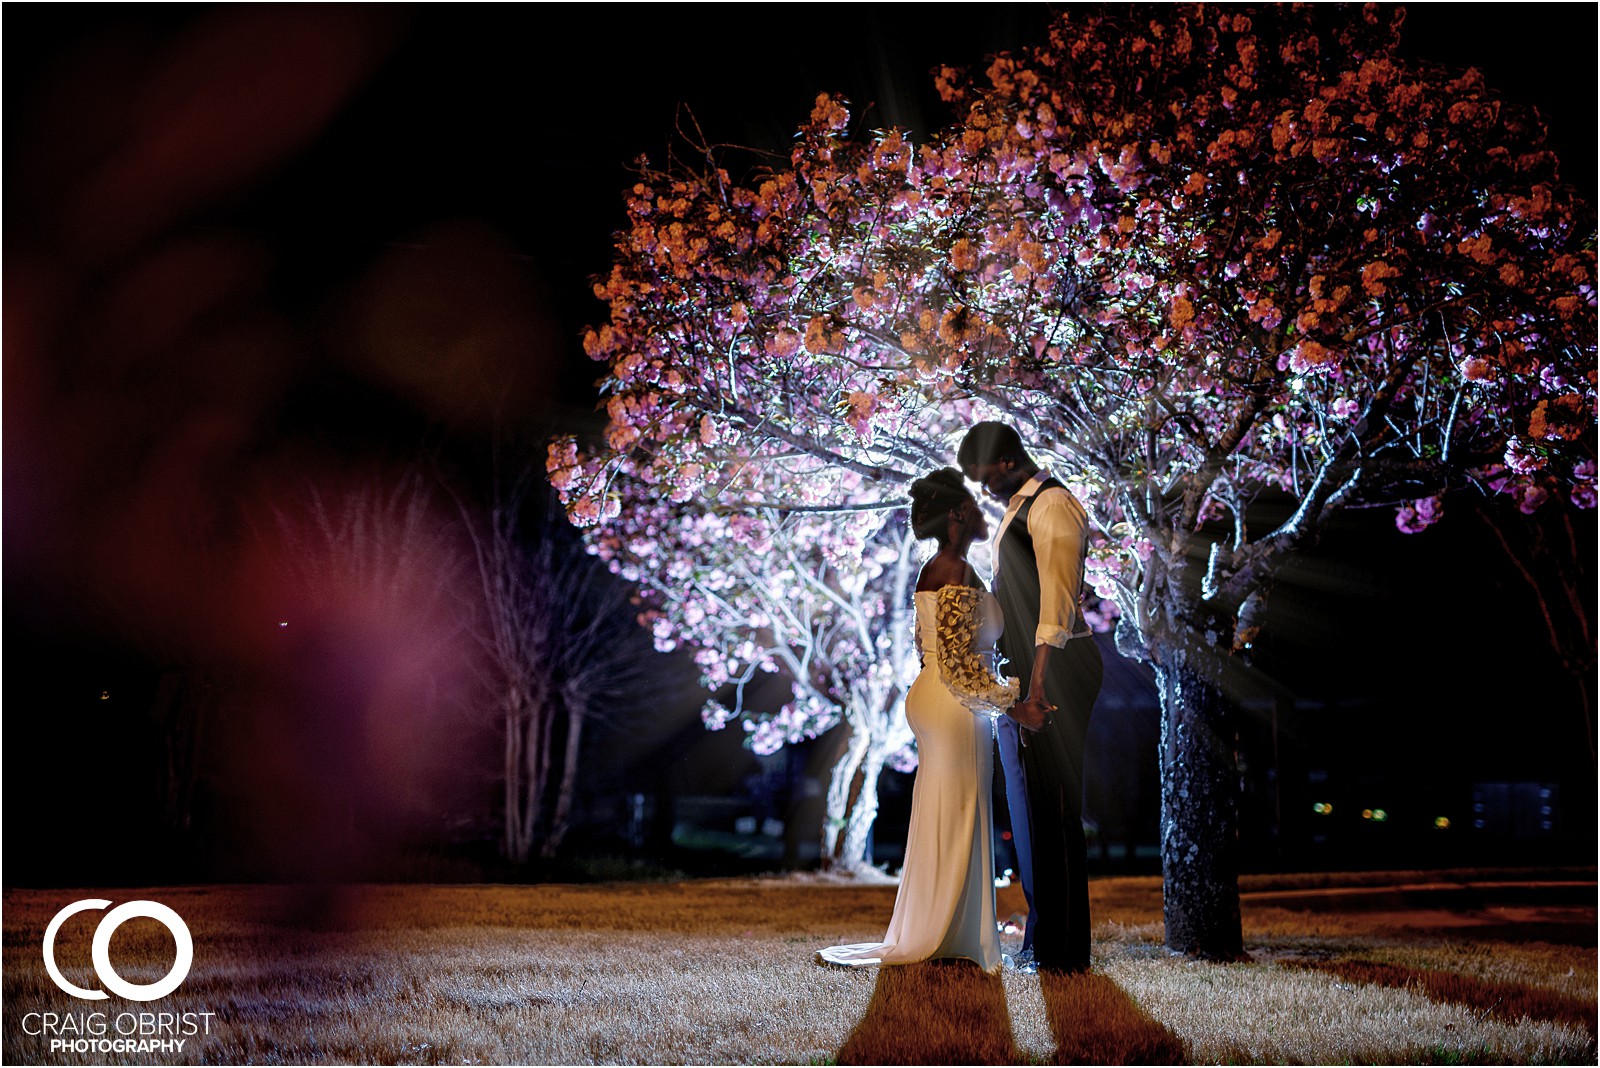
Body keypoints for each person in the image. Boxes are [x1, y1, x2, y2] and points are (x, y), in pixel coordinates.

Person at [817, 468, 1017, 973]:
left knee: (948, 814)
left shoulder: (941, 568)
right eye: (971, 504)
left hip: (937, 697)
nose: (979, 511)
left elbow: (930, 650)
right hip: (953, 703)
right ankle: (947, 936)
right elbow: (958, 664)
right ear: (955, 516)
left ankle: (949, 932)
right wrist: (1013, 701)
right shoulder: (954, 570)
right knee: (958, 814)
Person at [959, 421, 1103, 974]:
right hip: (1029, 670)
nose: (979, 485)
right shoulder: (1020, 508)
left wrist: (1037, 685)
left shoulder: (1052, 504)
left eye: (980, 473)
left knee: (1054, 810)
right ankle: (1046, 944)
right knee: (1032, 811)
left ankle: (1060, 953)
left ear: (1002, 462)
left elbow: (1058, 604)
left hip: (1055, 669)